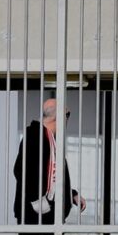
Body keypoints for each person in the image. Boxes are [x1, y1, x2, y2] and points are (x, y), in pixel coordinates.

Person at [14, 98, 83, 228]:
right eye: (67, 114)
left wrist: (71, 194)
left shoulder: (48, 138)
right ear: (57, 117)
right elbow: (21, 169)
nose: (67, 119)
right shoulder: (35, 136)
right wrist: (37, 201)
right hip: (36, 216)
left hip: (45, 214)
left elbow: (51, 177)